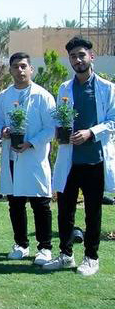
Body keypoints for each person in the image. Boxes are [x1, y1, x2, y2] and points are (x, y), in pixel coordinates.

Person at [43, 37, 115, 276]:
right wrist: (58, 130)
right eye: (73, 56)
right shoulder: (64, 88)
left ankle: (91, 258)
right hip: (70, 160)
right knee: (65, 211)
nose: (78, 60)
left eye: (81, 55)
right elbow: (59, 117)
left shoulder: (107, 88)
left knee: (93, 212)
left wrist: (90, 132)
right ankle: (66, 255)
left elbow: (113, 121)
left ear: (91, 57)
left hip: (95, 160)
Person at [0, 51, 56, 265]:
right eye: (15, 67)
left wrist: (31, 142)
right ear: (10, 70)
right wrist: (2, 130)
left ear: (31, 69)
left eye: (23, 66)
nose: (20, 70)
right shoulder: (4, 96)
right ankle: (21, 244)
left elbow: (51, 128)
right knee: (15, 203)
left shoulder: (43, 96)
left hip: (34, 157)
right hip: (12, 157)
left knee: (40, 203)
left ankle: (45, 247)